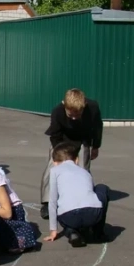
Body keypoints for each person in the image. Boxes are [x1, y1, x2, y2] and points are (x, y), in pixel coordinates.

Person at [40, 88, 103, 220]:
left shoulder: (93, 107)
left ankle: (85, 199)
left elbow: (97, 127)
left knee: (83, 169)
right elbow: (55, 135)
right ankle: (47, 202)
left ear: (84, 105)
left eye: (78, 114)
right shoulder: (57, 111)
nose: (74, 118)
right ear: (65, 106)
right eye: (70, 115)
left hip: (82, 139)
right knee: (52, 168)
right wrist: (60, 155)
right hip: (62, 140)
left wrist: (95, 146)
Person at [43, 142, 110, 247]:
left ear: (55, 162)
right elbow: (91, 192)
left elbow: (52, 201)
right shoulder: (85, 172)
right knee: (102, 188)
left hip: (69, 216)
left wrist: (53, 230)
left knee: (63, 209)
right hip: (92, 214)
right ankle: (98, 232)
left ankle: (71, 232)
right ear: (76, 160)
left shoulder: (55, 171)